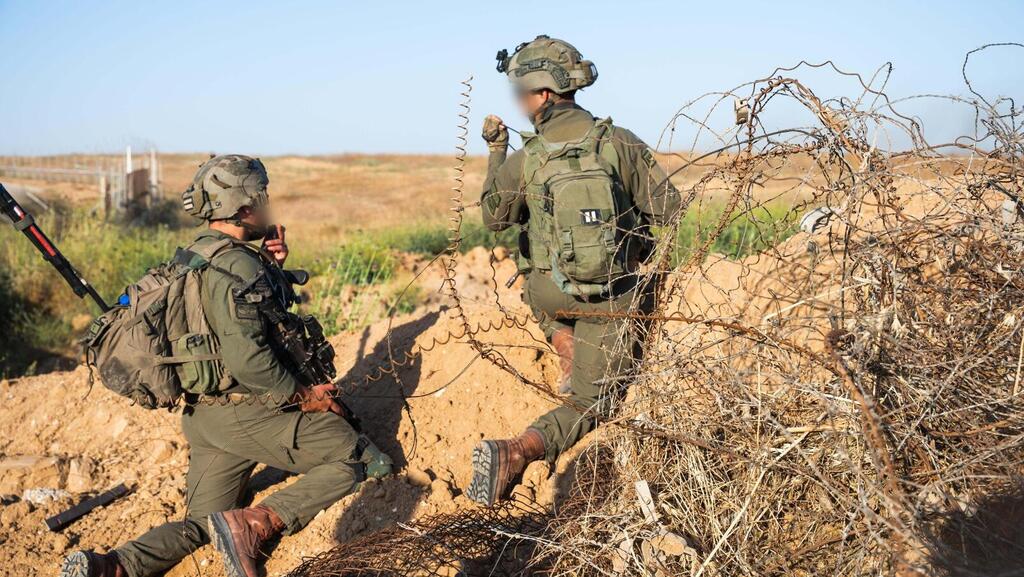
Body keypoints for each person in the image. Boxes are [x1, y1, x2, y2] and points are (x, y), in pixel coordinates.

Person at [61, 155, 391, 577]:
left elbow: (240, 320)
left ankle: (115, 566)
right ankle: (257, 523)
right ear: (244, 205)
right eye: (262, 196)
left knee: (203, 523)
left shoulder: (197, 255)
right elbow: (249, 358)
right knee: (361, 459)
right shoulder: (239, 266)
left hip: (206, 420)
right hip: (250, 412)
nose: (268, 205)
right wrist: (307, 397)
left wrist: (273, 266)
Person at [467, 36, 681, 506]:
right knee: (593, 401)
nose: (520, 102)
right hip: (610, 298)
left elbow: (494, 219)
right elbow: (670, 211)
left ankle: (562, 337)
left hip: (548, 294)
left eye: (521, 92)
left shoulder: (529, 156)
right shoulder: (617, 142)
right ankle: (518, 451)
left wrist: (496, 153)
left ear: (542, 94)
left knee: (532, 268)